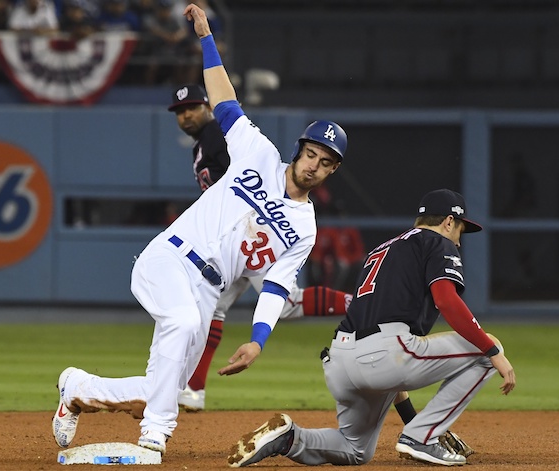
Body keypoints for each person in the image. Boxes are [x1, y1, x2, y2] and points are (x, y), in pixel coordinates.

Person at [52, 2, 347, 459]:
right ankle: (154, 438)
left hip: (211, 290)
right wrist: (206, 38)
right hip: (171, 257)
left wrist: (257, 339)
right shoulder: (259, 153)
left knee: (162, 386)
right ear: (300, 149)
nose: (315, 165)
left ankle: (76, 387)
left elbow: (274, 288)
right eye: (312, 153)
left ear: (331, 172)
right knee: (181, 336)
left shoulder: (304, 228)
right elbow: (225, 100)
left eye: (326, 163)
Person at [228, 188, 516, 468]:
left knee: (356, 450)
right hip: (385, 353)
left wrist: (411, 418)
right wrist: (492, 351)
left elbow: (384, 362)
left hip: (341, 360)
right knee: (485, 348)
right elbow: (446, 300)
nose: (459, 241)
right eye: (460, 231)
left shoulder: (383, 249)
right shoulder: (437, 242)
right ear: (449, 221)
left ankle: (289, 438)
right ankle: (423, 437)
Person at [167, 83, 353, 412]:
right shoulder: (202, 144)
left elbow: (240, 169)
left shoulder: (213, 136)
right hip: (233, 241)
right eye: (181, 111)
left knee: (285, 302)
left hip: (254, 234)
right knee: (213, 309)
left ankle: (359, 304)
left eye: (193, 108)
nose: (186, 115)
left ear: (207, 108)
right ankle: (192, 390)